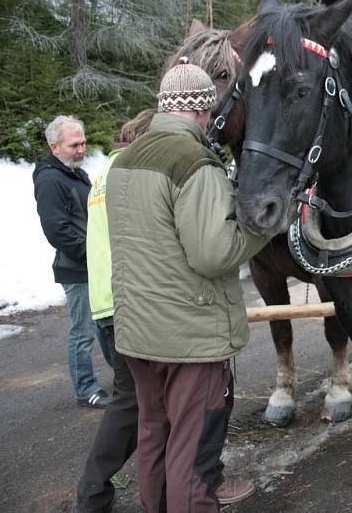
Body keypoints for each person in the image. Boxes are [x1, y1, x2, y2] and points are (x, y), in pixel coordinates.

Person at [105, 58, 270, 512]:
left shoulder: (125, 159)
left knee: (155, 435)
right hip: (189, 338)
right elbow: (213, 253)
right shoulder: (196, 162)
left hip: (138, 332)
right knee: (193, 456)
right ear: (203, 110)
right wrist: (263, 227)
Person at [76, 109, 254, 512]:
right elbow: (200, 250)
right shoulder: (168, 167)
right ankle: (96, 490)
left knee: (150, 419)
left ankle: (123, 494)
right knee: (181, 429)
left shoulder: (112, 172)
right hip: (154, 312)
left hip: (121, 307)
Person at [33, 115, 112, 408]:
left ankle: (124, 379)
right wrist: (90, 253)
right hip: (77, 267)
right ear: (55, 147)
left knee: (106, 324)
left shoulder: (74, 173)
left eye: (83, 143)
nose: (81, 149)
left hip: (95, 265)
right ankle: (85, 388)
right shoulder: (50, 179)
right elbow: (56, 229)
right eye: (74, 145)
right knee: (84, 331)